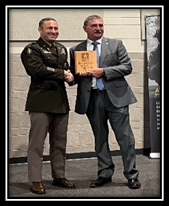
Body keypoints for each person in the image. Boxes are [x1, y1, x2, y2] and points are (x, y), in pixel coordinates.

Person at [69, 15, 141, 189]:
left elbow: (127, 67)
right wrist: (71, 77)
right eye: (94, 25)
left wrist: (104, 71)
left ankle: (131, 175)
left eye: (101, 25)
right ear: (85, 28)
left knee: (125, 138)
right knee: (100, 138)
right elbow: (74, 75)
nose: (98, 28)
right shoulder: (75, 50)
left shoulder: (116, 44)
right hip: (92, 99)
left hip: (117, 98)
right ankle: (105, 173)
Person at [20, 17, 75, 194]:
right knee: (36, 144)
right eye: (49, 28)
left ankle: (59, 176)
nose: (53, 31)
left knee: (59, 143)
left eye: (56, 28)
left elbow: (67, 70)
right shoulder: (31, 49)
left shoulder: (61, 48)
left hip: (60, 102)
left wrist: (74, 76)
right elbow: (37, 70)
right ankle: (35, 180)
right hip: (40, 101)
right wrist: (62, 74)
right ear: (40, 30)